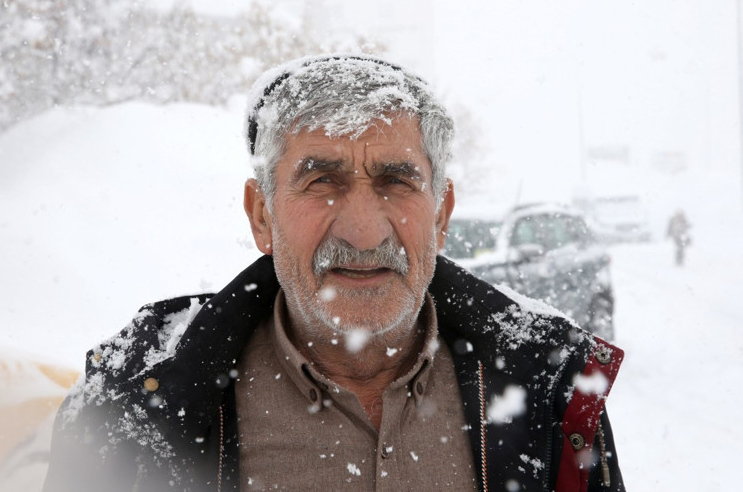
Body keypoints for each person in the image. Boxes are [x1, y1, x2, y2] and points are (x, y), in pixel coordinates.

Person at [43, 54, 625, 492]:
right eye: (322, 181)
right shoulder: (133, 401)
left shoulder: (552, 392)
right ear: (262, 214)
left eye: (397, 181)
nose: (365, 233)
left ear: (442, 215)